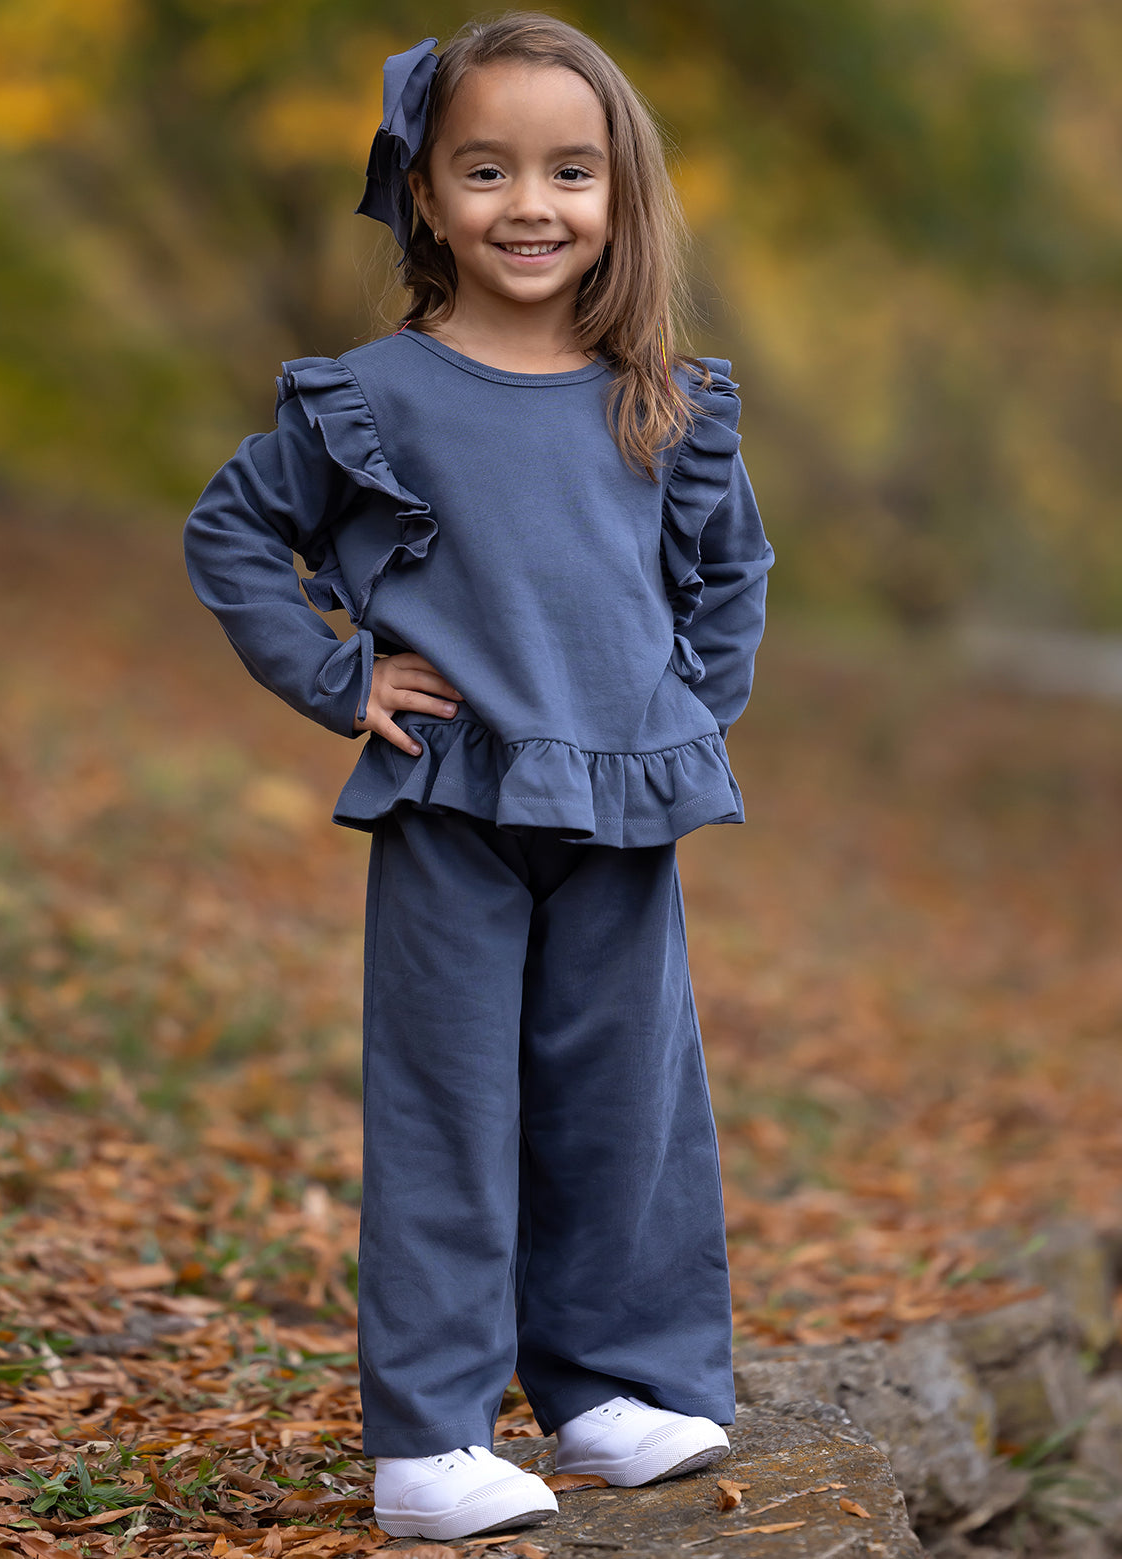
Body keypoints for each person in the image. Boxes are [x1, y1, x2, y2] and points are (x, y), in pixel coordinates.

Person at [184, 11, 773, 1544]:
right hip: (451, 807)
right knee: (449, 1112)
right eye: (489, 168)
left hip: (623, 815)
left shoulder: (665, 399)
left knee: (625, 1103)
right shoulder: (378, 398)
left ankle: (606, 1394)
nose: (533, 203)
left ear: (618, 195)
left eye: (571, 171)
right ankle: (431, 1437)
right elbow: (235, 536)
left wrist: (680, 714)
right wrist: (339, 675)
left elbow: (732, 573)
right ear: (427, 194)